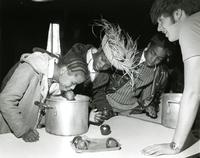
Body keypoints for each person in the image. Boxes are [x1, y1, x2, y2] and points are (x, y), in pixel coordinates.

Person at [142, 0, 200, 156]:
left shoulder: (189, 27)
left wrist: (175, 146)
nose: (159, 28)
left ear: (178, 14)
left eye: (161, 21)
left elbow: (193, 92)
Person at [0, 47, 89, 142]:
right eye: (73, 83)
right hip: (9, 135)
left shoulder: (52, 78)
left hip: (28, 136)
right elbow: (5, 100)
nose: (73, 88)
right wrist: (23, 131)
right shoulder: (29, 69)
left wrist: (64, 92)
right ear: (63, 70)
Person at [65, 19, 139, 124]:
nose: (103, 65)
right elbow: (66, 86)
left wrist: (107, 110)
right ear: (100, 49)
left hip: (82, 112)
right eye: (103, 59)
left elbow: (98, 94)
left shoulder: (104, 76)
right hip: (64, 106)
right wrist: (87, 114)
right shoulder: (78, 52)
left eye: (108, 65)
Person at [91, 33, 170, 120]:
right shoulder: (127, 55)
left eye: (159, 58)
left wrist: (150, 106)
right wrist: (103, 106)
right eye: (152, 53)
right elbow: (100, 83)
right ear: (149, 45)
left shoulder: (159, 73)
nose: (153, 60)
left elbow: (150, 97)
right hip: (107, 103)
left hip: (130, 110)